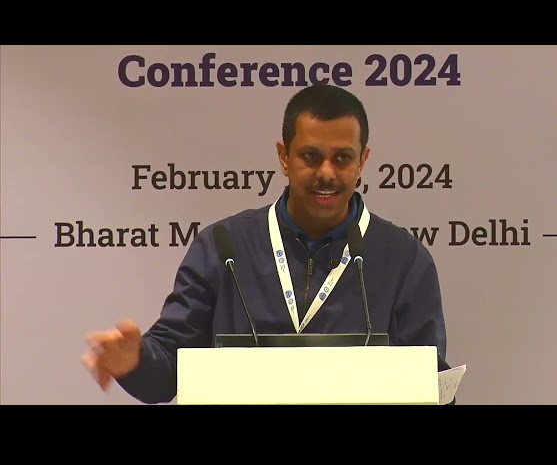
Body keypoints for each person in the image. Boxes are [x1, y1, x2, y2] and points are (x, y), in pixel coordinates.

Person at [82, 84, 450, 404]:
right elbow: (169, 369)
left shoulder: (404, 259)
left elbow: (428, 382)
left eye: (342, 158)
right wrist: (136, 361)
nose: (326, 173)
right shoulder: (224, 247)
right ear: (284, 157)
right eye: (311, 156)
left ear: (362, 162)